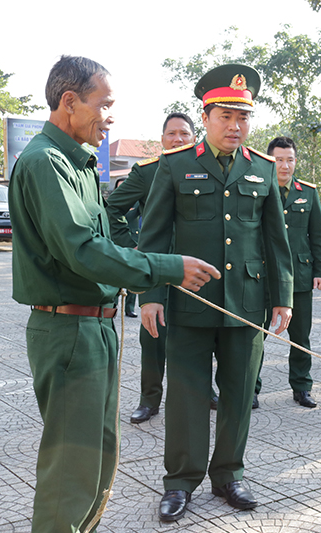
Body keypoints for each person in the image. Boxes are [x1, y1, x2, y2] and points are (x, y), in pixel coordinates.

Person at [7, 55, 218, 533]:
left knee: (98, 447)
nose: (109, 117)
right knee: (70, 456)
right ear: (69, 101)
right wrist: (166, 268)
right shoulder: (44, 164)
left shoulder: (76, 162)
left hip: (94, 323)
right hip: (68, 326)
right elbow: (83, 250)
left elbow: (106, 240)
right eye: (104, 105)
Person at [137, 63, 294, 522]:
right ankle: (180, 481)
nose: (235, 125)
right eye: (225, 115)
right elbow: (155, 235)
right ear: (204, 117)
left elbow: (276, 241)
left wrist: (282, 297)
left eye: (243, 117)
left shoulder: (262, 169)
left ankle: (228, 475)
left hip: (245, 303)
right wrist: (150, 294)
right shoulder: (176, 164)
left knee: (239, 392)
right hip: (188, 300)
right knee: (186, 393)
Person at [106, 112, 198, 424]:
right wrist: (130, 246)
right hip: (155, 268)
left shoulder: (207, 171)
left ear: (193, 138)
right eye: (171, 133)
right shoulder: (146, 173)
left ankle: (201, 391)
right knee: (153, 336)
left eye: (184, 134)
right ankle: (149, 398)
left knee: (199, 336)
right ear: (162, 139)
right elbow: (113, 208)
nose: (178, 139)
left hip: (193, 271)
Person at [256, 136, 321, 408]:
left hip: (298, 277)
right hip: (263, 276)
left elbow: (317, 237)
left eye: (290, 160)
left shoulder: (308, 192)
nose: (285, 166)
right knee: (255, 335)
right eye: (279, 160)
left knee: (300, 336)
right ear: (269, 160)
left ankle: (302, 386)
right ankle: (251, 387)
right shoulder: (259, 188)